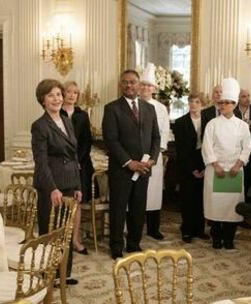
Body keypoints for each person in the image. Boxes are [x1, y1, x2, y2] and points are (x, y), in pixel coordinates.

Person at [102, 70, 160, 259]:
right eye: (125, 82)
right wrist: (129, 162)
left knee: (138, 208)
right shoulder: (112, 108)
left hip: (143, 169)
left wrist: (151, 159)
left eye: (133, 82)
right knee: (118, 209)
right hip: (121, 169)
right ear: (121, 85)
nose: (129, 85)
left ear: (139, 85)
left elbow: (156, 138)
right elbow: (111, 140)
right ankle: (116, 246)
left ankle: (134, 243)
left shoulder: (149, 109)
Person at [31, 78, 82, 284]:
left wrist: (78, 185)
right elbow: (41, 162)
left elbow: (74, 156)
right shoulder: (40, 126)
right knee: (51, 232)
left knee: (66, 232)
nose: (57, 98)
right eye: (51, 95)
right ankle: (48, 275)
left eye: (59, 94)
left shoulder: (66, 120)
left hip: (70, 182)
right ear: (43, 100)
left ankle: (64, 274)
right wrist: (52, 188)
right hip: (50, 186)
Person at [202, 78, 251, 250]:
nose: (222, 106)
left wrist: (238, 165)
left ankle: (229, 240)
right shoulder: (212, 124)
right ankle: (216, 239)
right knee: (215, 207)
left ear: (234, 104)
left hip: (234, 172)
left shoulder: (242, 126)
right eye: (220, 103)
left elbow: (247, 148)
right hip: (216, 171)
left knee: (232, 209)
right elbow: (207, 147)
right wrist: (216, 166)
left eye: (226, 103)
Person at [60, 81, 94, 255]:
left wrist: (77, 160)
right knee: (61, 202)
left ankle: (75, 240)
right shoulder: (56, 113)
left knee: (76, 203)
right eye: (69, 91)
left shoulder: (82, 115)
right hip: (61, 165)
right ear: (62, 93)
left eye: (75, 92)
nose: (72, 95)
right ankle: (61, 239)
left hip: (80, 165)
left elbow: (87, 141)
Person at [139, 63, 170, 240]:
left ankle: (153, 228)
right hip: (136, 158)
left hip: (153, 158)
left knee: (154, 194)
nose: (146, 88)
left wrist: (153, 156)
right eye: (143, 84)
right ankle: (134, 226)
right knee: (136, 195)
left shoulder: (160, 108)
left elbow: (163, 132)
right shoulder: (133, 105)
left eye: (149, 85)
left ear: (154, 88)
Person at [174, 92, 208, 243]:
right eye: (191, 101)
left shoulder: (209, 120)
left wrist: (206, 167)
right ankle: (186, 230)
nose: (194, 104)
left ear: (203, 104)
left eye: (197, 102)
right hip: (186, 164)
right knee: (187, 198)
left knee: (201, 198)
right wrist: (192, 169)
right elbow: (180, 149)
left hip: (204, 162)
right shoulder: (181, 122)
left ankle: (199, 229)